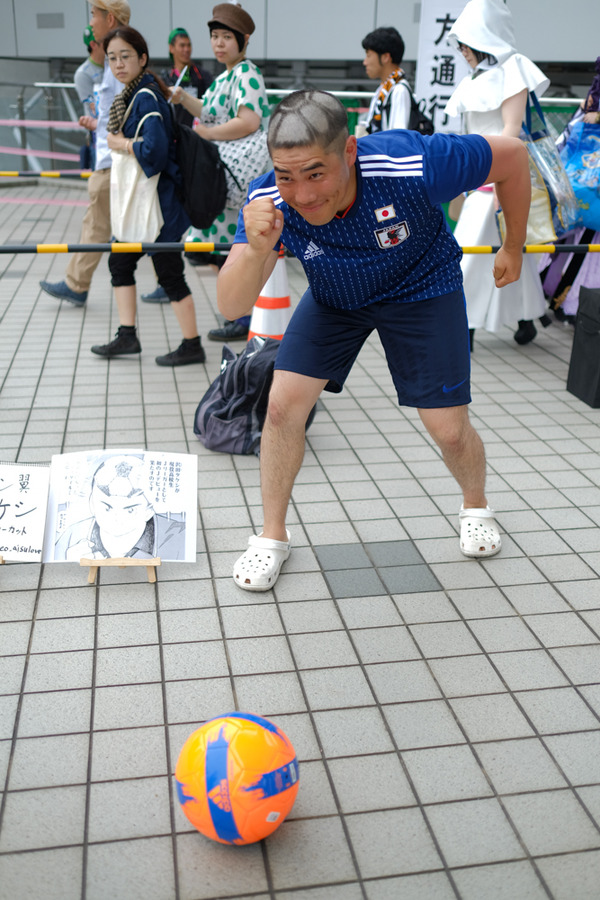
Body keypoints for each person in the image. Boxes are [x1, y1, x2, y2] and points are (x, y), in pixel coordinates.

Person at [217, 89, 531, 592]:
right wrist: (256, 250)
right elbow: (232, 305)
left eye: (315, 173)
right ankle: (272, 536)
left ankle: (476, 505)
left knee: (448, 429)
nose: (301, 194)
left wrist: (512, 245)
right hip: (336, 294)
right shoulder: (268, 200)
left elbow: (513, 158)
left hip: (422, 288)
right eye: (286, 174)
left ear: (349, 152)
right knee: (281, 406)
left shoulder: (413, 162)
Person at [89, 25, 205, 366]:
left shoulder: (145, 97)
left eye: (126, 56)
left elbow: (153, 155)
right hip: (151, 202)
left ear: (142, 58)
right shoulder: (140, 91)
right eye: (112, 58)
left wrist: (119, 144)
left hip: (159, 204)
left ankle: (191, 344)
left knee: (167, 271)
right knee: (121, 261)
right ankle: (128, 336)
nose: (119, 64)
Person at [445, 0, 550, 348]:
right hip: (478, 177)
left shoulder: (514, 70)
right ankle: (525, 318)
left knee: (476, 251)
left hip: (499, 176)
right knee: (505, 249)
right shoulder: (471, 81)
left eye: (466, 42)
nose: (461, 50)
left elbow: (512, 129)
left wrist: (478, 173)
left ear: (484, 37)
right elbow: (463, 136)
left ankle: (465, 325)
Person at [170, 2, 271, 342]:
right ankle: (241, 312)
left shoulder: (247, 74)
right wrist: (185, 100)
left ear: (243, 40)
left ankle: (244, 314)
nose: (219, 43)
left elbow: (249, 121)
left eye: (227, 37)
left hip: (235, 174)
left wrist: (207, 134)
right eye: (214, 37)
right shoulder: (225, 77)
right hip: (222, 171)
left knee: (230, 248)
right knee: (216, 247)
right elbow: (212, 112)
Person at [39, 0, 130, 307]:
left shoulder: (119, 58)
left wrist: (113, 139)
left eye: (94, 14)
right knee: (107, 226)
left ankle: (77, 285)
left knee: (99, 227)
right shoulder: (111, 60)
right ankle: (77, 284)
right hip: (112, 159)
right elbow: (112, 112)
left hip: (114, 161)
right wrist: (98, 123)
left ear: (110, 17)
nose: (90, 22)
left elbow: (126, 111)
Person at [141, 26, 215, 305]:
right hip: (171, 151)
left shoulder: (202, 76)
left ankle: (173, 274)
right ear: (171, 48)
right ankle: (167, 278)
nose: (186, 50)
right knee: (166, 218)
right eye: (181, 45)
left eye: (189, 45)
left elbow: (210, 110)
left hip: (195, 150)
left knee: (180, 214)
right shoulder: (164, 79)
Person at [540, 57, 600, 321]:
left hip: (587, 184)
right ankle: (562, 301)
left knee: (582, 242)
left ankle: (566, 303)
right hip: (586, 182)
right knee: (578, 241)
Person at [54, 455, 186, 561]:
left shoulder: (178, 537)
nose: (116, 518)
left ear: (149, 509)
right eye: (107, 508)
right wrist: (69, 559)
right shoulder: (72, 536)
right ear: (92, 503)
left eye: (130, 510)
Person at [360, 26, 411, 133]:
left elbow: (398, 137)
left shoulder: (399, 90)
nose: (365, 62)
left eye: (368, 55)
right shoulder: (384, 89)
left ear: (385, 57)